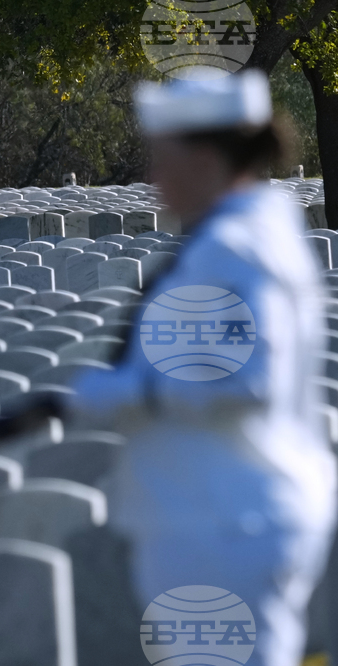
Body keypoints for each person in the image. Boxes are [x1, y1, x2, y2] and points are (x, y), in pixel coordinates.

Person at [65, 69, 337, 665]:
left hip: (227, 520)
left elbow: (253, 376)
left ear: (205, 159)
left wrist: (135, 391)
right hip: (214, 512)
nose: (153, 177)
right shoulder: (243, 233)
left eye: (162, 159)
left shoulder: (238, 246)